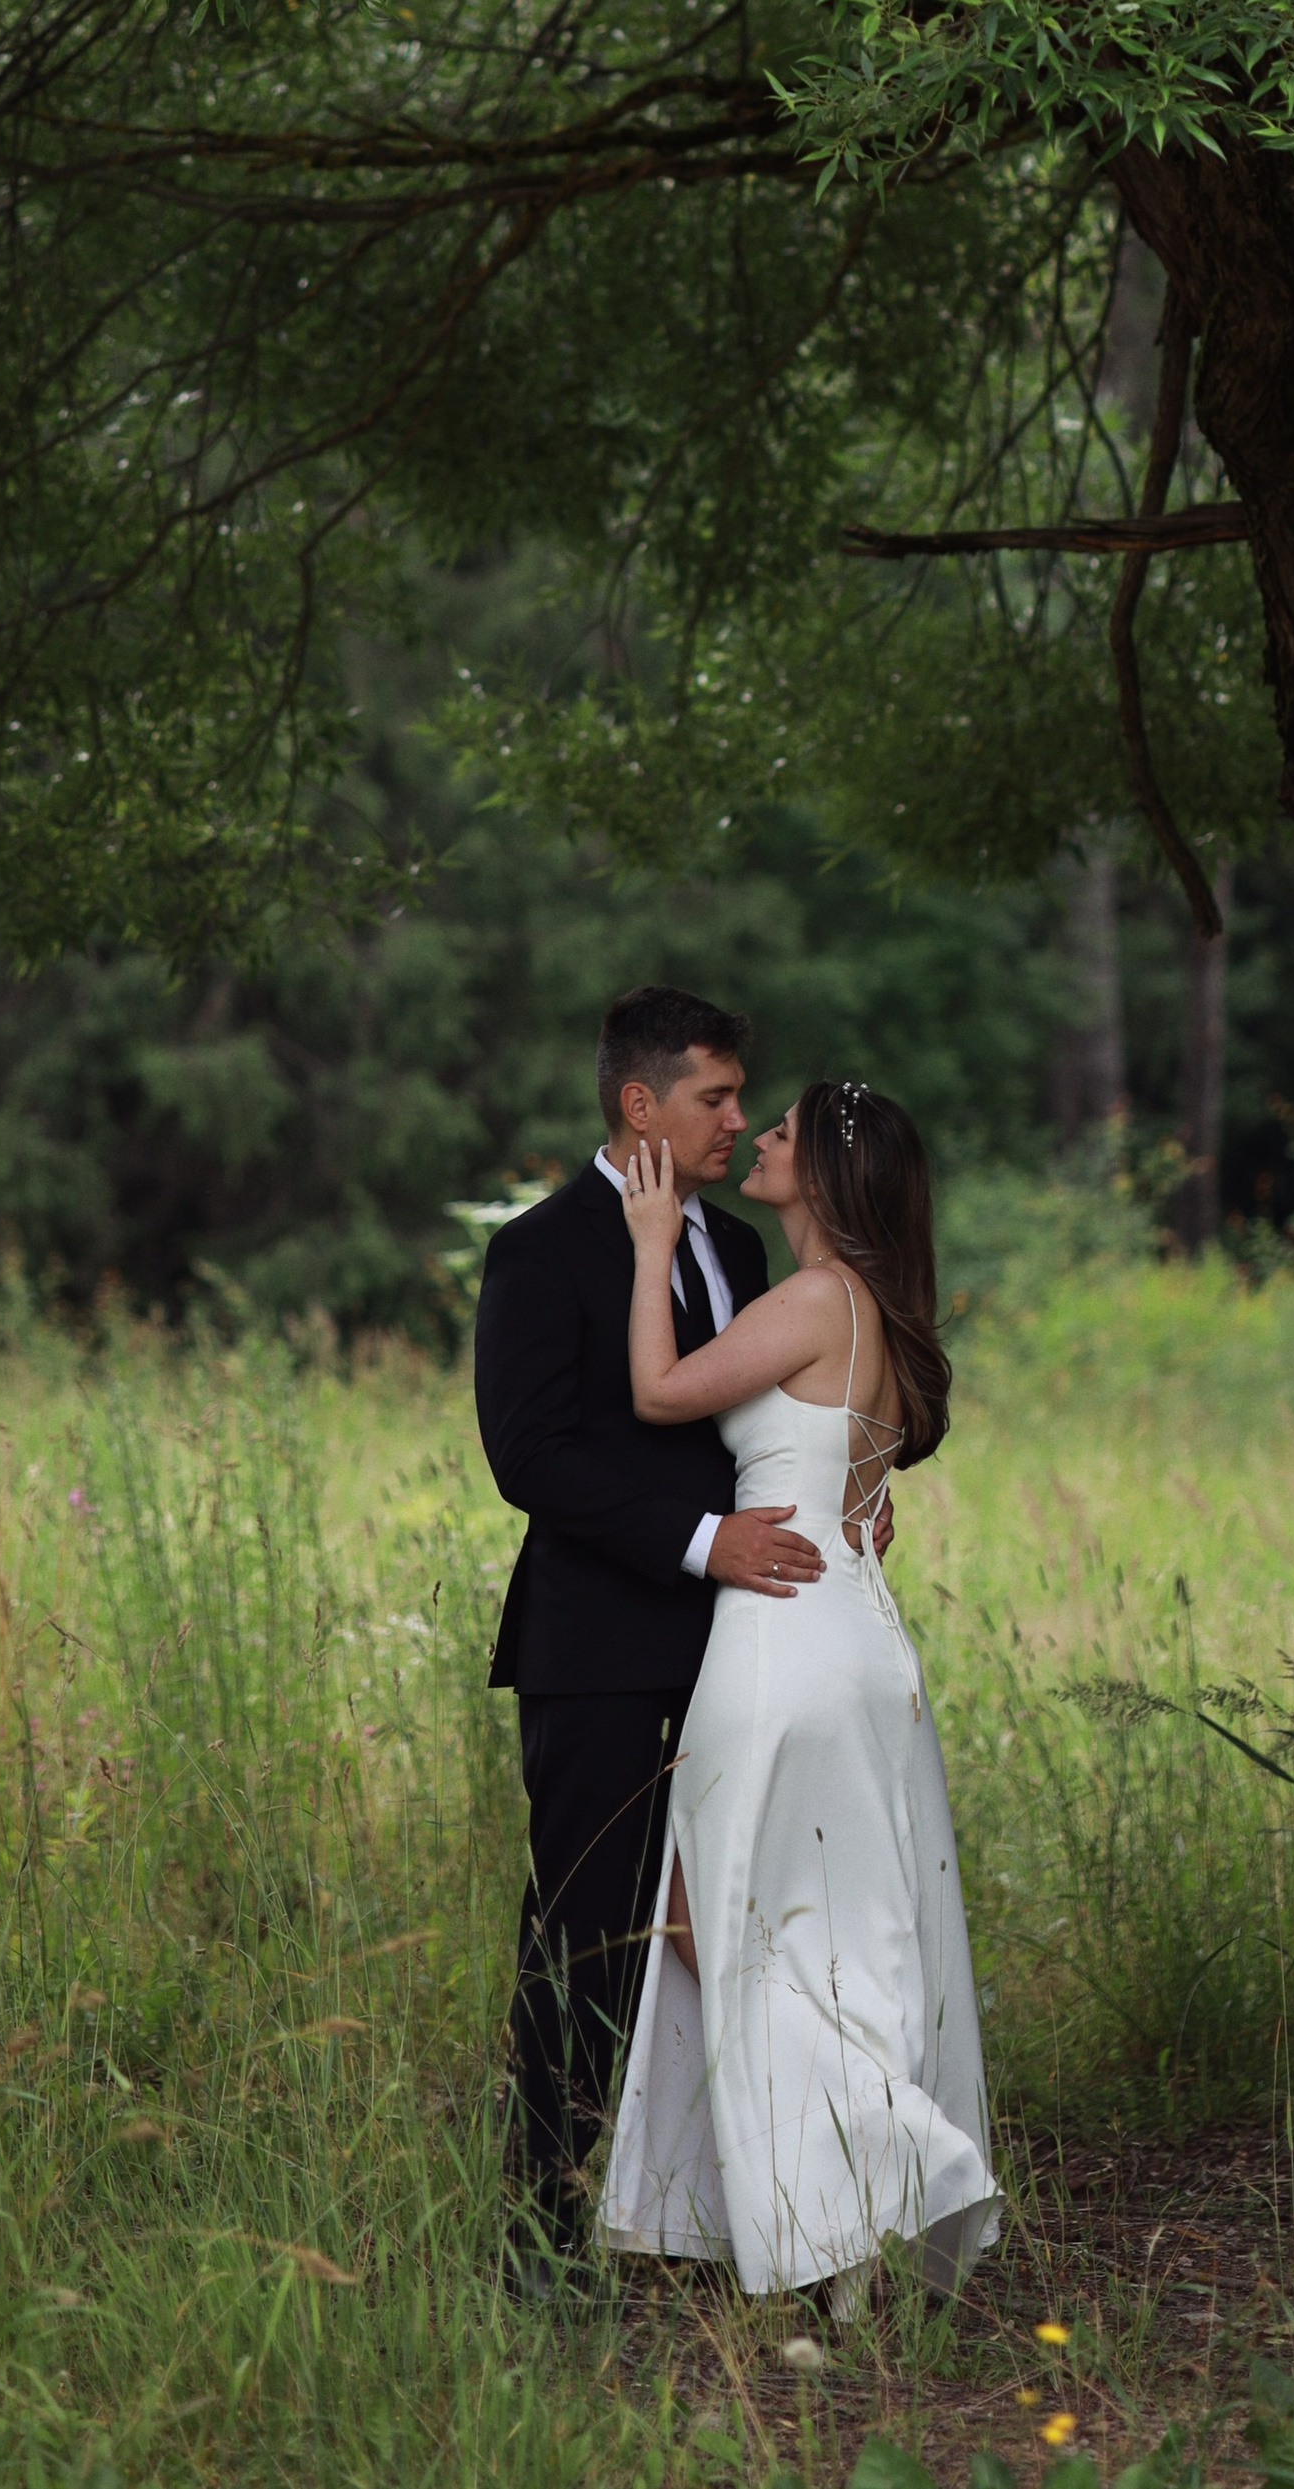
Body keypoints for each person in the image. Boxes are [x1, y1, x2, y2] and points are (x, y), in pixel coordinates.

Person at [599, 1078, 999, 2309]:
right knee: (796, 1924)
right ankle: (837, 2240)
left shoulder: (818, 1294)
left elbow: (661, 1394)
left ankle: (899, 2165)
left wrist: (654, 1246)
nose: (756, 1139)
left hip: (781, 1640)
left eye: (777, 1132)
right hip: (855, 1639)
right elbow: (859, 1494)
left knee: (728, 1921)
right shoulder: (873, 1310)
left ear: (824, 1174)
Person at [474, 986, 835, 2285]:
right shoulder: (540, 1248)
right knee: (587, 1937)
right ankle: (541, 2245)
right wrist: (699, 1541)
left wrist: (846, 1497)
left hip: (748, 1645)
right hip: (599, 1649)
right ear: (642, 1103)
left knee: (740, 1925)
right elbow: (532, 1457)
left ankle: (721, 2216)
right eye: (716, 1098)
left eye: (743, 1100)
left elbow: (767, 1414)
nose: (739, 1120)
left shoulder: (738, 1249)